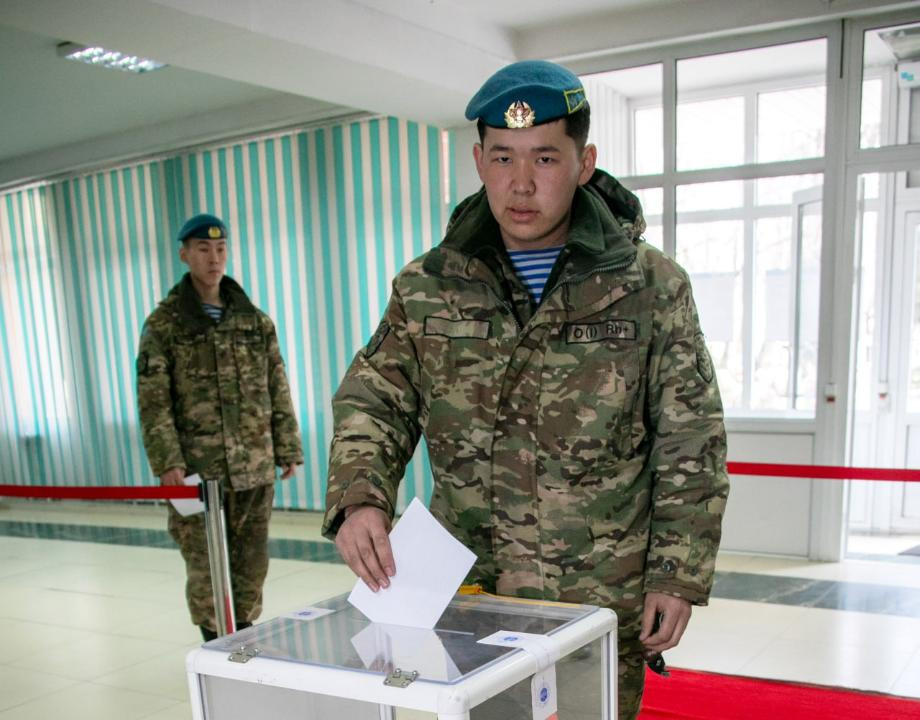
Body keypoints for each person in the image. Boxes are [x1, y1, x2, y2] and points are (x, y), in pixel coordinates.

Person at [322, 61, 729, 719]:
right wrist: (359, 498)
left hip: (597, 598)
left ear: (584, 163)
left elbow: (691, 439)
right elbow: (375, 399)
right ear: (478, 161)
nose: (520, 183)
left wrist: (676, 572)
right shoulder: (429, 287)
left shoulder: (650, 286)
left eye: (544, 157)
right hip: (468, 595)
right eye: (503, 157)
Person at [136, 213, 303, 641]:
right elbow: (153, 401)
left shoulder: (254, 321)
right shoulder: (164, 325)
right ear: (184, 255)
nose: (214, 258)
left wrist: (287, 446)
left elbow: (276, 385)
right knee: (205, 565)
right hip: (196, 471)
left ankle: (242, 643)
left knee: (251, 564)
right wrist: (167, 462)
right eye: (203, 249)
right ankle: (214, 647)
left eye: (221, 249)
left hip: (253, 464)